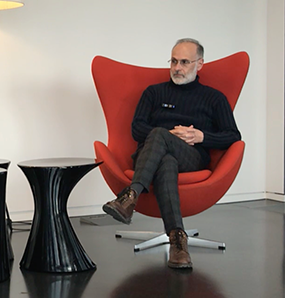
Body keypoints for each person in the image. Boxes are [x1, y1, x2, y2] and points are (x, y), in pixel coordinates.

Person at [102, 38, 241, 269]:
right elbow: (137, 129)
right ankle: (178, 242)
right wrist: (169, 135)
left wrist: (201, 136)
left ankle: (130, 197)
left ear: (200, 64)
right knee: (165, 159)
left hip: (191, 156)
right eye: (174, 61)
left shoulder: (214, 98)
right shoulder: (153, 93)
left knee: (160, 135)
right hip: (150, 155)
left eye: (184, 62)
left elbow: (233, 135)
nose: (177, 68)